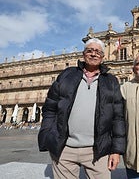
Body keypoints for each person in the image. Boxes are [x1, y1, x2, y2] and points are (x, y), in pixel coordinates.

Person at [38, 38, 126, 179]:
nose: (93, 54)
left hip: (98, 150)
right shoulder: (67, 75)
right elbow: (50, 108)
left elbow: (118, 117)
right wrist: (48, 134)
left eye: (98, 51)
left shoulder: (111, 81)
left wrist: (116, 150)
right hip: (64, 149)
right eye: (89, 50)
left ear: (103, 56)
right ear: (83, 54)